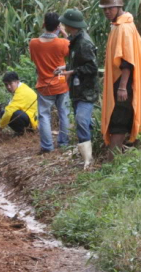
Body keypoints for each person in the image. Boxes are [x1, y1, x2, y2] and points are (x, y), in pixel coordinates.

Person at [99, 0, 141, 162]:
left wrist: (123, 87)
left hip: (124, 84)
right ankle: (139, 162)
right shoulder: (120, 25)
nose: (107, 12)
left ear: (118, 6)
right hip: (124, 83)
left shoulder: (123, 28)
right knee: (130, 120)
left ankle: (111, 164)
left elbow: (127, 61)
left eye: (110, 8)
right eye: (104, 9)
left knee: (118, 123)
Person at [57, 9, 98, 169]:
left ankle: (89, 160)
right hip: (77, 90)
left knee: (81, 119)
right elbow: (78, 63)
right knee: (83, 121)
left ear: (70, 25)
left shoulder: (84, 43)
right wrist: (64, 68)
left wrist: (73, 71)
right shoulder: (75, 40)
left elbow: (92, 67)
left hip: (86, 90)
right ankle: (87, 156)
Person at [29, 12, 70, 154]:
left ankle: (47, 146)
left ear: (44, 25)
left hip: (44, 85)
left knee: (44, 116)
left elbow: (34, 60)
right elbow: (76, 49)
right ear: (58, 26)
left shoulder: (33, 43)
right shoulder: (63, 43)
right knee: (63, 113)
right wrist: (64, 32)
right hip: (61, 83)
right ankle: (64, 143)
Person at [0, 71, 38, 136]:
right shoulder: (22, 87)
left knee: (7, 113)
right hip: (33, 118)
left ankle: (22, 132)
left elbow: (9, 112)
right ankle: (24, 131)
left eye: (10, 84)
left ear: (17, 81)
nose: (8, 87)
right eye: (6, 85)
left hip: (34, 122)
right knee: (6, 112)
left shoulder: (21, 93)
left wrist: (0, 127)